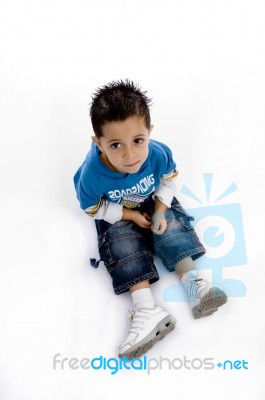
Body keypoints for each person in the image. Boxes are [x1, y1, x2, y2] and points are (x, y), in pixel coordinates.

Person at [73, 79, 227, 360]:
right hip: (115, 208)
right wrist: (129, 214)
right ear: (98, 143)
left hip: (152, 198)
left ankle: (193, 285)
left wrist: (158, 211)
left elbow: (169, 182)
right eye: (116, 145)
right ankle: (146, 309)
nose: (130, 155)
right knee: (120, 240)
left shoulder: (158, 153)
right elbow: (93, 209)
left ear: (149, 132)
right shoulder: (91, 176)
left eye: (138, 141)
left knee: (171, 224)